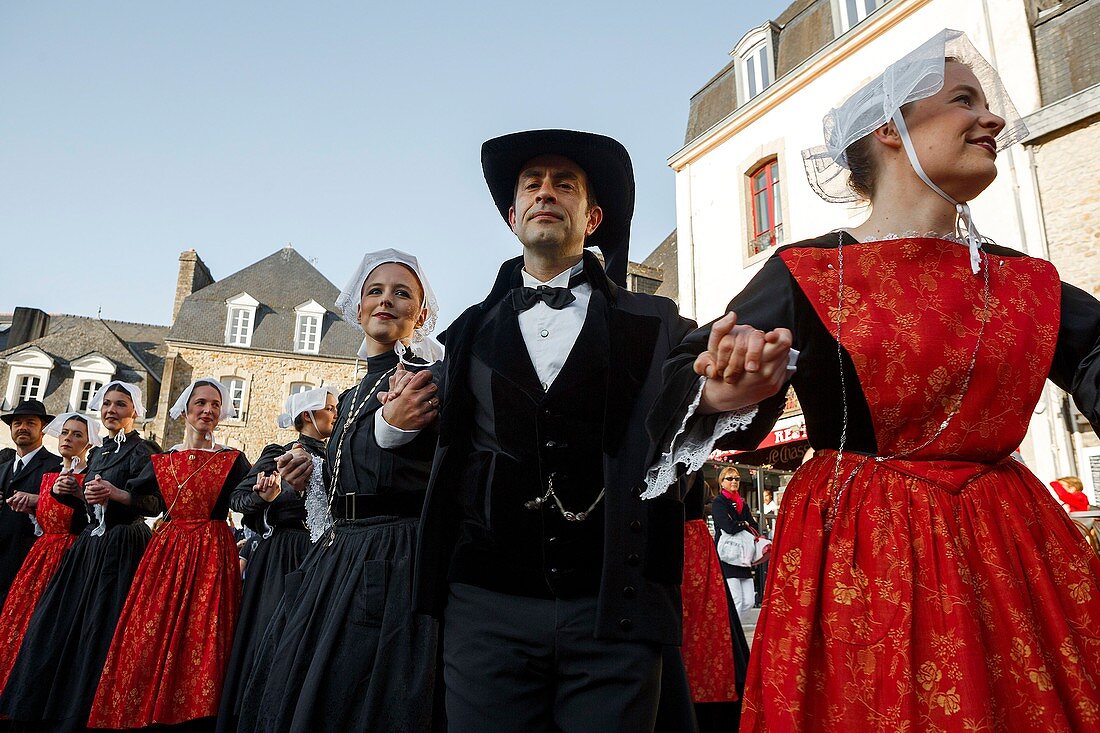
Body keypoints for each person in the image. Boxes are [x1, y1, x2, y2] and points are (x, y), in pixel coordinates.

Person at [644, 29, 1100, 730]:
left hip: (1011, 558)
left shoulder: (1024, 279)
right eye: (963, 100)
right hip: (864, 554)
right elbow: (686, 374)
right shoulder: (809, 269)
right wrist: (730, 386)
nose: (994, 118)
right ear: (891, 129)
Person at [412, 129, 697, 733]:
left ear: (592, 217)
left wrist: (737, 376)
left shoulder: (659, 325)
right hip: (485, 613)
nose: (547, 193)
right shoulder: (462, 335)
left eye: (564, 184)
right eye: (532, 185)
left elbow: (711, 395)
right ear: (513, 214)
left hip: (613, 612)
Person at [237, 249, 443, 733]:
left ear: (422, 313)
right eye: (376, 291)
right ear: (357, 308)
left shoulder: (424, 379)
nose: (386, 301)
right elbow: (352, 479)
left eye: (401, 293)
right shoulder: (350, 396)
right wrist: (316, 472)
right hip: (340, 553)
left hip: (393, 556)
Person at [88, 378, 250, 731]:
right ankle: (146, 707)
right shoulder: (164, 459)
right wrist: (115, 493)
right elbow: (145, 500)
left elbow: (245, 500)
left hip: (212, 549)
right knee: (152, 627)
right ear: (185, 409)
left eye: (215, 405)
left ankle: (196, 714)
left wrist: (265, 498)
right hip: (169, 548)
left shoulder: (231, 459)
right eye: (201, 403)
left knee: (204, 631)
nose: (208, 410)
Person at [0, 382, 162, 731]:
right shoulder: (101, 452)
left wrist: (118, 494)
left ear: (134, 410)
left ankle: (86, 712)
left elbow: (153, 504)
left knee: (99, 626)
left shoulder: (143, 450)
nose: (111, 411)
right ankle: (46, 705)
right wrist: (73, 492)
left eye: (120, 404)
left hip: (121, 547)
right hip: (89, 547)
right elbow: (89, 509)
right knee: (57, 622)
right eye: (106, 404)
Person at [217, 385, 338, 732]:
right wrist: (266, 497)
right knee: (271, 631)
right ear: (307, 417)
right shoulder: (279, 452)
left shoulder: (336, 456)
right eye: (327, 408)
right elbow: (238, 501)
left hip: (322, 554)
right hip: (283, 555)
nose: (333, 413)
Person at [0, 413, 96, 693]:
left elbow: (91, 521)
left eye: (77, 434)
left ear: (89, 443)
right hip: (39, 557)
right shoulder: (48, 477)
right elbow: (44, 521)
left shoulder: (88, 477)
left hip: (70, 559)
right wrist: (34, 506)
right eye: (65, 433)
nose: (68, 439)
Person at [679, 473, 747, 733]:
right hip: (688, 545)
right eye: (730, 478)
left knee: (702, 633)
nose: (735, 481)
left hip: (689, 546)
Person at [0, 400, 61, 609]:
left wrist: (38, 501)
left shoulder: (55, 466)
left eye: (30, 423)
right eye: (17, 423)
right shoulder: (3, 467)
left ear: (43, 429)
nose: (22, 428)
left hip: (28, 560)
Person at [710, 467, 759, 615]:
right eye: (729, 478)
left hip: (743, 556)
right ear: (722, 482)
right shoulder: (719, 502)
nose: (734, 481)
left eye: (737, 478)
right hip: (728, 554)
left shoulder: (742, 504)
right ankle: (731, 634)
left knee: (749, 601)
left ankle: (734, 631)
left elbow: (754, 525)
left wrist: (742, 524)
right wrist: (743, 524)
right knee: (736, 599)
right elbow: (727, 526)